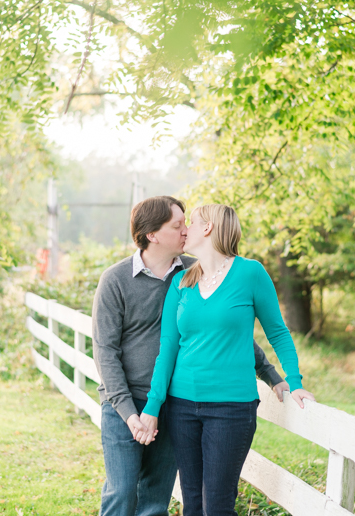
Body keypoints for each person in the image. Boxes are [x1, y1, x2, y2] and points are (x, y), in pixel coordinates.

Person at [91, 196, 289, 516]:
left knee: (156, 498)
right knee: (122, 491)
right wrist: (131, 414)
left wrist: (270, 374)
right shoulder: (115, 280)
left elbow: (224, 333)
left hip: (171, 403)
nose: (186, 230)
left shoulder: (192, 273)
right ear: (152, 234)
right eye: (177, 225)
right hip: (123, 404)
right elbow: (105, 353)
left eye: (187, 223)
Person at [139, 204, 315, 516]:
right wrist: (153, 407)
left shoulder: (250, 273)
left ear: (207, 228)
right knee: (192, 504)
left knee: (217, 506)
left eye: (190, 223)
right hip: (181, 407)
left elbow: (277, 332)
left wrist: (295, 381)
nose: (185, 230)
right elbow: (167, 350)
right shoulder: (181, 282)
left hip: (231, 409)